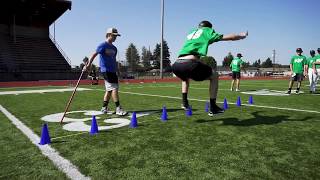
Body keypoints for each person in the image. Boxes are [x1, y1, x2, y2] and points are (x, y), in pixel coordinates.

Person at [172, 20, 248, 116]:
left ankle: (184, 102)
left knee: (185, 79)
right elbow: (230, 37)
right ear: (209, 28)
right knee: (214, 75)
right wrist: (241, 36)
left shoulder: (192, 32)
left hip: (176, 65)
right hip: (189, 63)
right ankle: (213, 107)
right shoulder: (207, 31)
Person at [83, 27, 127, 116]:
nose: (115, 37)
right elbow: (94, 54)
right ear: (109, 35)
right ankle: (118, 108)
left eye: (116, 36)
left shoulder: (114, 48)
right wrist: (88, 65)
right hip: (105, 70)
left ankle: (104, 108)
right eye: (114, 36)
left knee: (109, 90)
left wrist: (118, 72)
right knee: (114, 88)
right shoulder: (102, 45)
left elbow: (114, 61)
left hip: (112, 71)